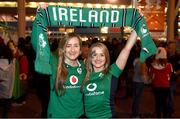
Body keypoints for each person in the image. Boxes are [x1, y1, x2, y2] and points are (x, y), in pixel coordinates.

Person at [81, 30, 137, 118]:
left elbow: (127, 49)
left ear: (106, 57)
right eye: (94, 55)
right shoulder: (84, 73)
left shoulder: (112, 71)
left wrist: (137, 26)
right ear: (90, 58)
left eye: (102, 55)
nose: (98, 58)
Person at [32, 33, 86, 118]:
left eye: (76, 45)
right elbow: (38, 45)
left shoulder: (84, 66)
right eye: (68, 46)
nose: (72, 50)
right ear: (63, 48)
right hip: (58, 115)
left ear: (80, 49)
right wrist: (39, 20)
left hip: (79, 115)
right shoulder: (54, 62)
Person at [149, 47, 173, 118]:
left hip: (156, 86)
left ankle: (159, 116)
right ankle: (165, 116)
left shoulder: (153, 65)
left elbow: (151, 76)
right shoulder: (169, 65)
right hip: (166, 86)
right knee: (164, 102)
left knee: (158, 102)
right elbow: (170, 75)